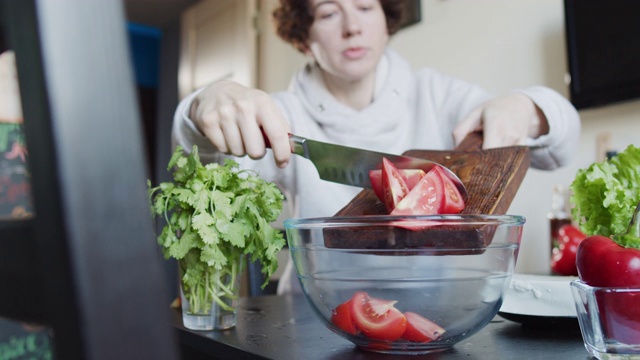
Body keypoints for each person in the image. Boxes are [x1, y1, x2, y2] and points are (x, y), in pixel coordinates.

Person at [172, 0, 581, 294]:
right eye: (329, 12)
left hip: (441, 308)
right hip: (314, 312)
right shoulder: (277, 116)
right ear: (303, 37)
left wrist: (529, 107)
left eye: (366, 7)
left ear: (386, 19)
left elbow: (558, 147)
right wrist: (200, 108)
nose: (352, 26)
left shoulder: (437, 94)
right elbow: (208, 175)